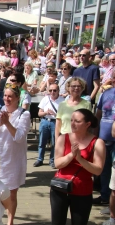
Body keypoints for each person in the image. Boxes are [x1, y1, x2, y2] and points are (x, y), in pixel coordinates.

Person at [0, 83, 31, 225]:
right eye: (5, 96)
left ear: (17, 98)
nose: (7, 99)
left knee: (11, 193)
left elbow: (20, 136)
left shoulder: (23, 114)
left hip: (12, 159)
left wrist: (7, 123)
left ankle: (10, 221)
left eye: (10, 96)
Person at [50, 109, 105, 225]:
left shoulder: (97, 142)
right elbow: (57, 164)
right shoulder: (63, 138)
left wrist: (80, 159)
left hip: (82, 191)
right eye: (71, 120)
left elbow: (98, 170)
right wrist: (71, 155)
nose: (72, 124)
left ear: (87, 124)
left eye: (77, 121)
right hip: (60, 188)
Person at [93, 74, 115, 206]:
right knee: (104, 169)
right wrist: (95, 134)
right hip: (104, 137)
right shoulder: (105, 93)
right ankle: (105, 196)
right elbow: (98, 114)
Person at [33, 83, 65, 168]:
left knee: (55, 143)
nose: (52, 92)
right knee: (41, 142)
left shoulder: (63, 101)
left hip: (56, 122)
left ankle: (52, 160)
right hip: (45, 121)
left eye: (54, 90)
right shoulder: (45, 99)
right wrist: (46, 112)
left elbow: (64, 116)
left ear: (58, 91)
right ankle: (40, 159)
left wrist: (56, 114)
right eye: (50, 90)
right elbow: (39, 114)